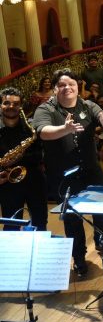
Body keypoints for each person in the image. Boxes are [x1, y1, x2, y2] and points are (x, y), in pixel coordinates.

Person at [34, 69, 103, 276]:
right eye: (62, 85)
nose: (67, 88)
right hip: (64, 175)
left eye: (71, 84)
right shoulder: (45, 109)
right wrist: (65, 129)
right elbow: (43, 132)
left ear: (78, 87)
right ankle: (79, 258)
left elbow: (101, 116)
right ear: (54, 89)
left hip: (90, 170)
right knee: (72, 219)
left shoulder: (87, 105)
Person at [0, 88, 46, 230]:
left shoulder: (30, 128)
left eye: (16, 103)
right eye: (6, 103)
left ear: (21, 106)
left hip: (34, 180)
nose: (11, 107)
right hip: (7, 182)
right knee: (11, 224)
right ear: (0, 106)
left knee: (40, 223)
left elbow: (40, 154)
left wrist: (19, 158)